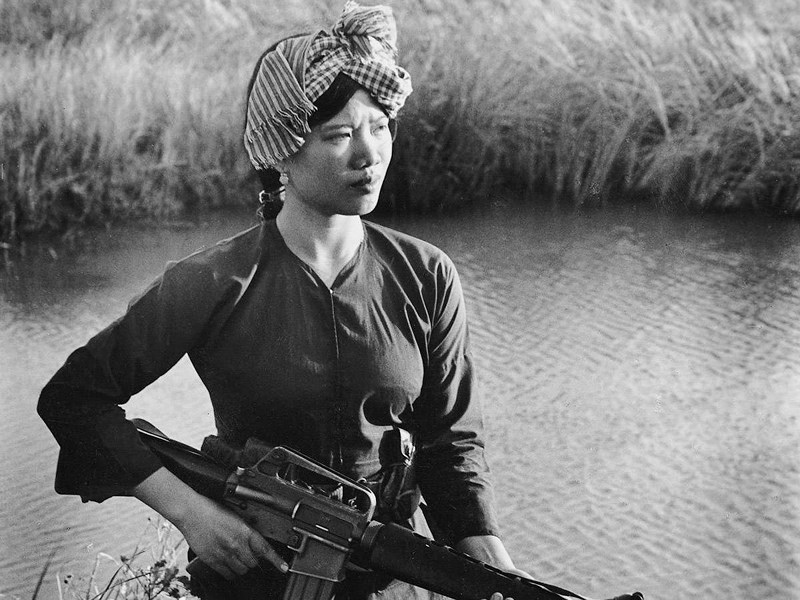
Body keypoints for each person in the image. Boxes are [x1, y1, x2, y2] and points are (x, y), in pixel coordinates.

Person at [38, 2, 529, 598]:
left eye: (379, 127)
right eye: (339, 135)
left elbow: (451, 448)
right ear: (282, 150)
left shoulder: (427, 276)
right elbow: (74, 398)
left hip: (390, 578)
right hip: (250, 578)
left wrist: (499, 572)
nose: (369, 154)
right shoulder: (212, 280)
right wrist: (192, 515)